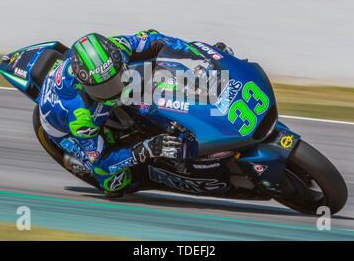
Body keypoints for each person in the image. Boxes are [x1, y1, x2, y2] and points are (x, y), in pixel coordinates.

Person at [38, 29, 232, 196]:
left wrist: (200, 56)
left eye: (114, 81)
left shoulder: (117, 46)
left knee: (157, 74)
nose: (112, 92)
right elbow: (102, 161)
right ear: (85, 85)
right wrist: (146, 149)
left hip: (106, 88)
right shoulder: (80, 119)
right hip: (61, 128)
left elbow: (156, 39)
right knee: (116, 183)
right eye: (102, 89)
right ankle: (87, 164)